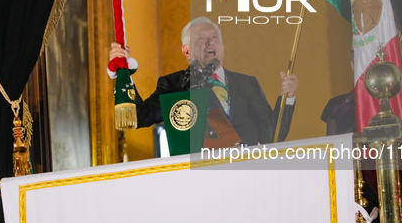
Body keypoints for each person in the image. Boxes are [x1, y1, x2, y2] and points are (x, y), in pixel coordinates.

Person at [109, 17, 299, 145]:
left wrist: (288, 98)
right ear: (186, 50)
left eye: (214, 38)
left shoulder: (248, 83)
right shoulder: (174, 84)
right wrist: (124, 74)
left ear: (222, 47)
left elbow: (271, 136)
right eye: (201, 38)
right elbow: (139, 116)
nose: (209, 42)